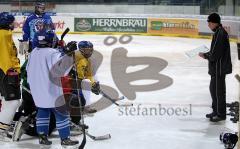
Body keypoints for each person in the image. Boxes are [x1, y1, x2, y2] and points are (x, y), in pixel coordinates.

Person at [26, 29, 79, 146]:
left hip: (37, 89)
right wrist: (69, 55)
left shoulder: (33, 52)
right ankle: (65, 139)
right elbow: (62, 71)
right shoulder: (52, 53)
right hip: (50, 89)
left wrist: (64, 52)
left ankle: (42, 137)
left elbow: (27, 70)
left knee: (43, 110)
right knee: (61, 112)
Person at [199, 12, 232, 122]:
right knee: (214, 90)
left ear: (214, 22)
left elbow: (214, 55)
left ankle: (220, 114)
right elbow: (215, 52)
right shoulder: (219, 32)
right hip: (217, 69)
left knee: (218, 92)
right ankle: (216, 110)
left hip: (219, 69)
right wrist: (208, 54)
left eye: (209, 23)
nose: (208, 25)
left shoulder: (220, 34)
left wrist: (205, 55)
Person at [62, 41, 100, 128]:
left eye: (91, 50)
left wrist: (94, 84)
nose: (89, 52)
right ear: (81, 50)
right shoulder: (74, 57)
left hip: (77, 83)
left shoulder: (88, 60)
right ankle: (70, 122)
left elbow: (89, 75)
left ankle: (75, 121)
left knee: (80, 101)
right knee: (76, 102)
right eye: (87, 50)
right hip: (68, 83)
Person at [0, 12, 21, 141]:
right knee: (13, 102)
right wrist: (12, 71)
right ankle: (1, 130)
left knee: (5, 101)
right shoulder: (4, 35)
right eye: (12, 22)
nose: (14, 24)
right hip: (6, 72)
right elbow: (6, 56)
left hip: (3, 71)